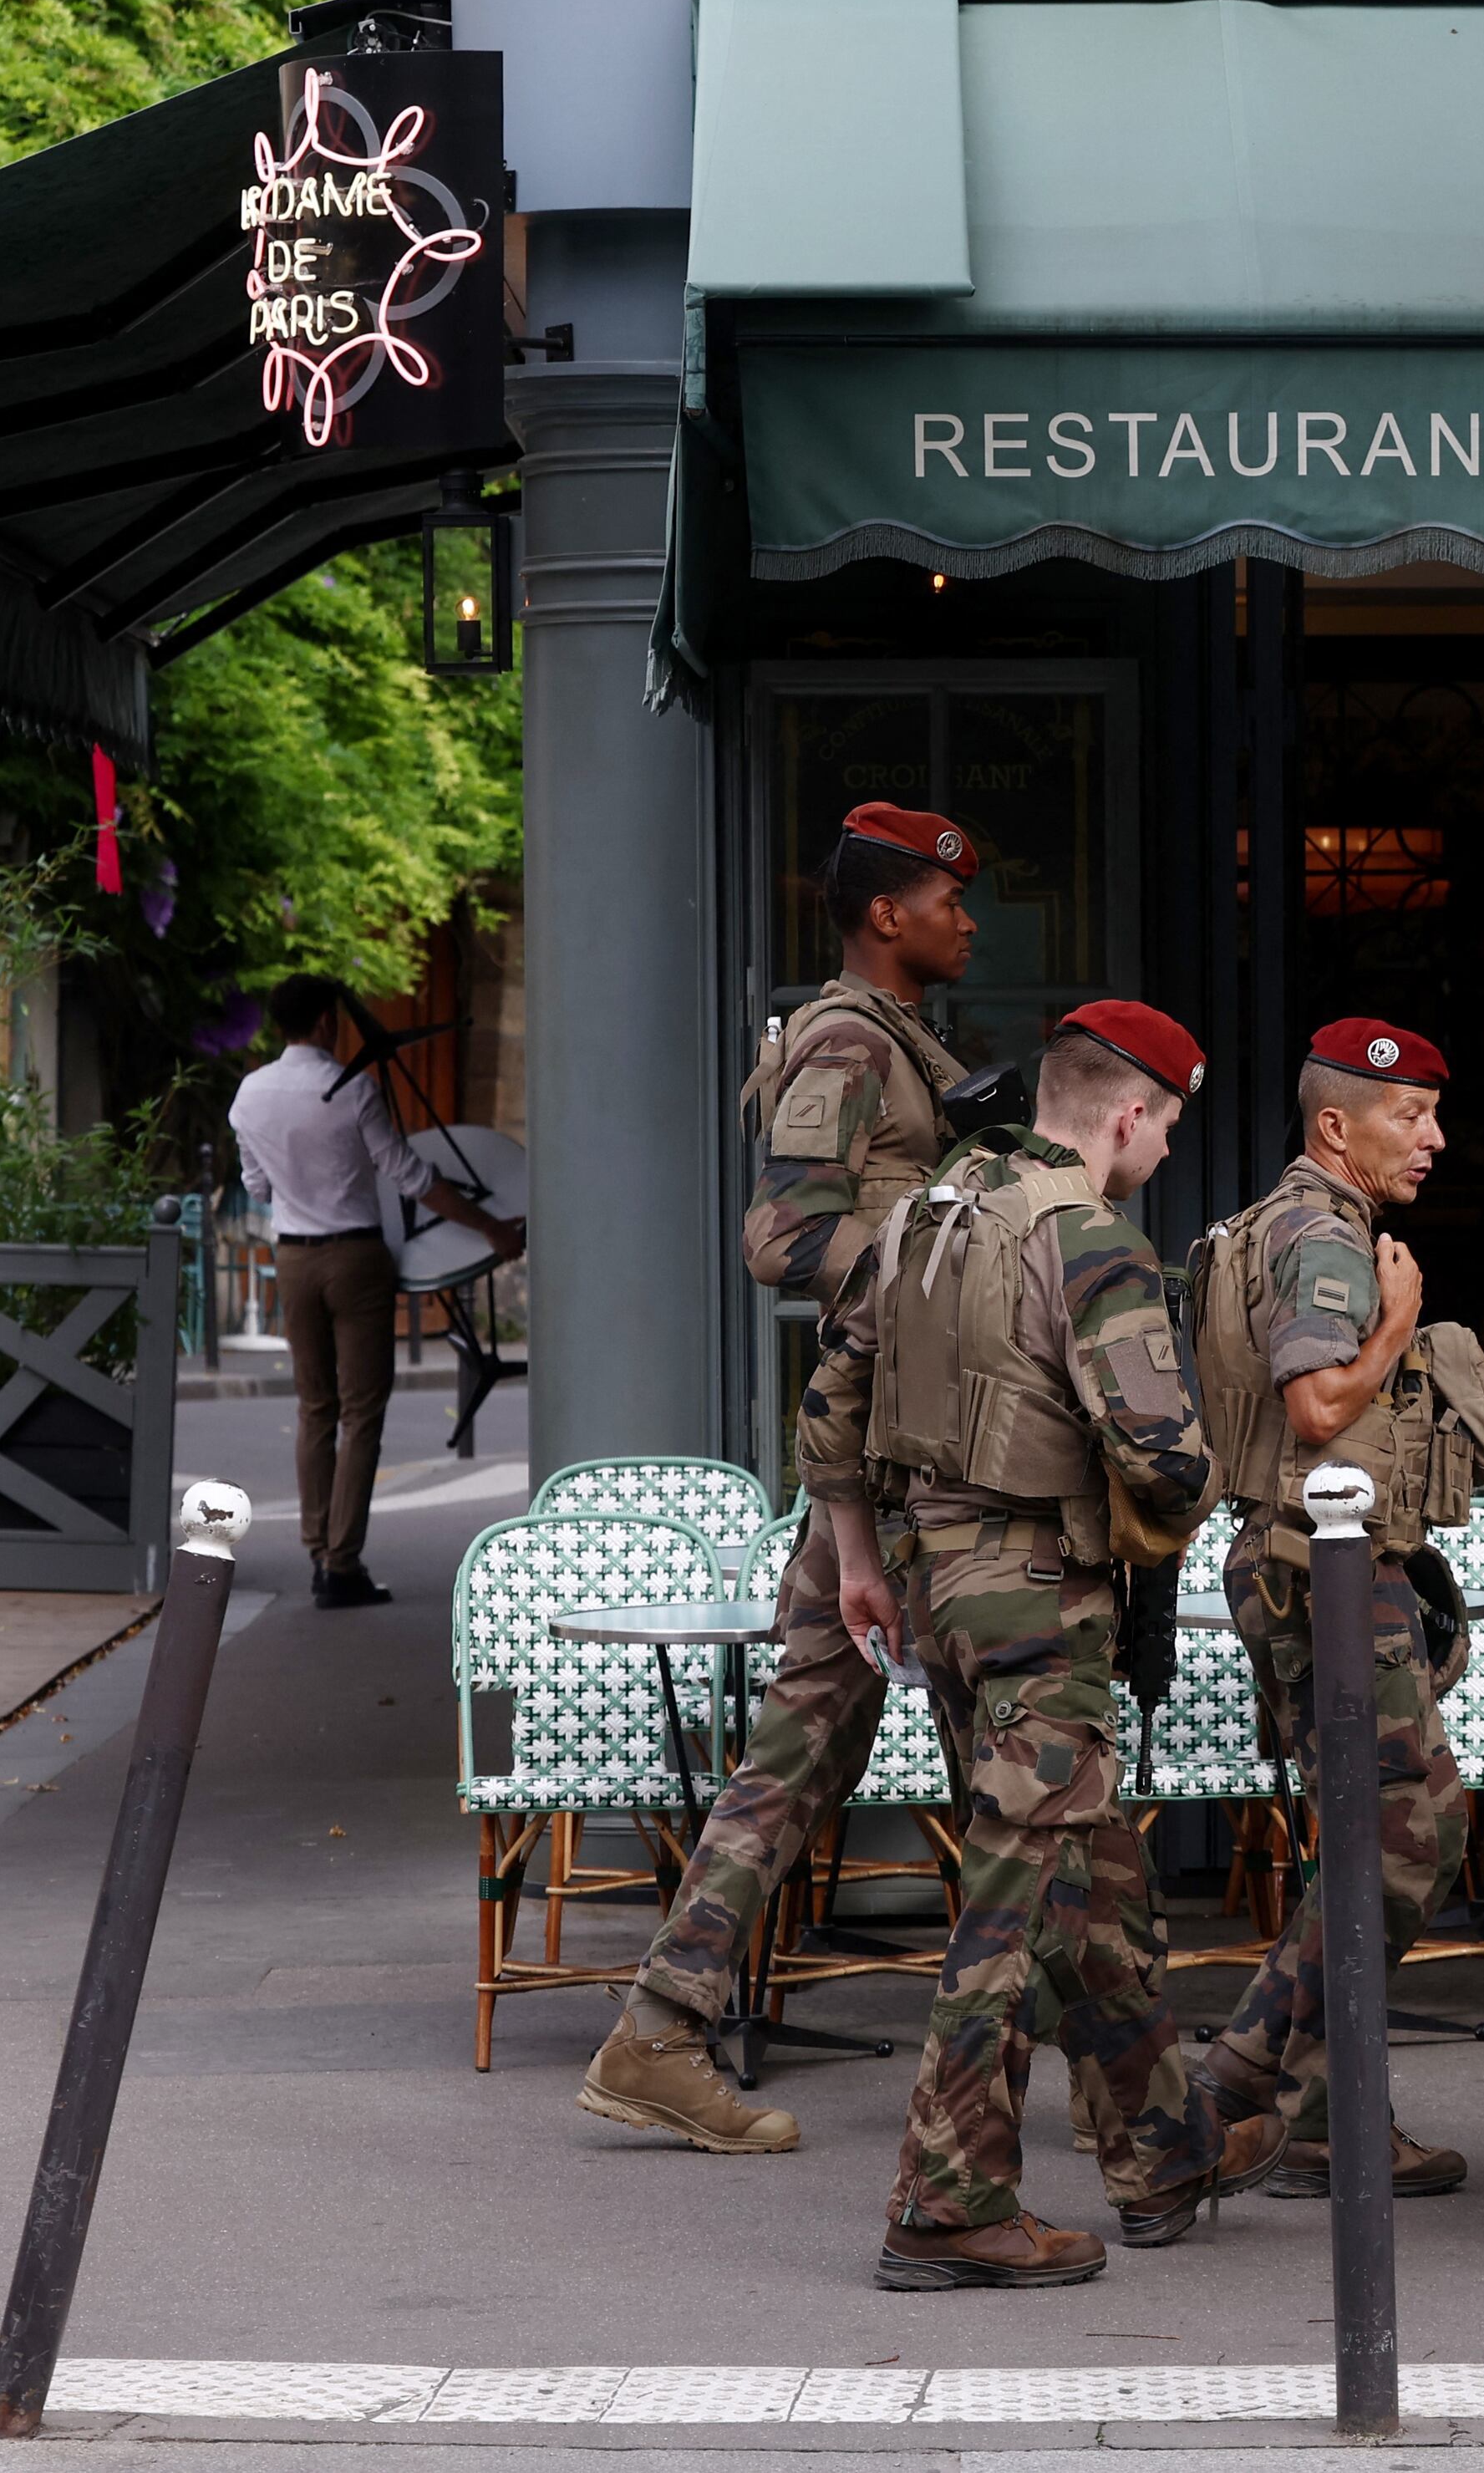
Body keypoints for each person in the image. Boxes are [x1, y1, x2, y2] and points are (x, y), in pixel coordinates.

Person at [809, 999, 1273, 2288]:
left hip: (938, 1590)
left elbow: (827, 1408)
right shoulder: (1089, 1242)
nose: (1168, 1151)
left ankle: (1168, 2149)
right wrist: (1226, 1467)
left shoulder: (919, 1220)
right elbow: (1164, 1462)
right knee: (1017, 1906)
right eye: (1168, 1126)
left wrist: (859, 1562)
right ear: (1127, 1114)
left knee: (1093, 1882)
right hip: (1043, 1600)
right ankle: (947, 2206)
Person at [578, 801, 977, 2158]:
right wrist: (954, 1255)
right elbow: (786, 1230)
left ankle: (659, 2027)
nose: (966, 919)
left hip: (881, 1441)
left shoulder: (891, 1040)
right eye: (946, 897)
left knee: (808, 1746)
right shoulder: (855, 1040)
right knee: (1030, 1760)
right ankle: (1131, 2087)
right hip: (905, 1447)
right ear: (885, 914)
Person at [1186, 1018, 1484, 2202]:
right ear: (1337, 1125)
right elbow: (1319, 1404)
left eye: (1430, 1112)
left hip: (1302, 1558)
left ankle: (1327, 2121)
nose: (1432, 1137)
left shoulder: (1278, 1223)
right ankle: (1235, 2081)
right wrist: (1399, 1322)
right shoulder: (1326, 1233)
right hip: (1322, 1561)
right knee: (1420, 1827)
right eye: (1407, 1116)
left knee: (1361, 1837)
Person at [227, 974, 522, 1610]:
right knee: (361, 1411)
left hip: (294, 1260)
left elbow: (255, 1186)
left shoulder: (249, 1094)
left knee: (315, 1407)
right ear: (328, 1022)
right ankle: (343, 1562)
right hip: (357, 1257)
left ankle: (317, 1550)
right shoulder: (351, 1089)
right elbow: (412, 1175)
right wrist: (491, 1227)